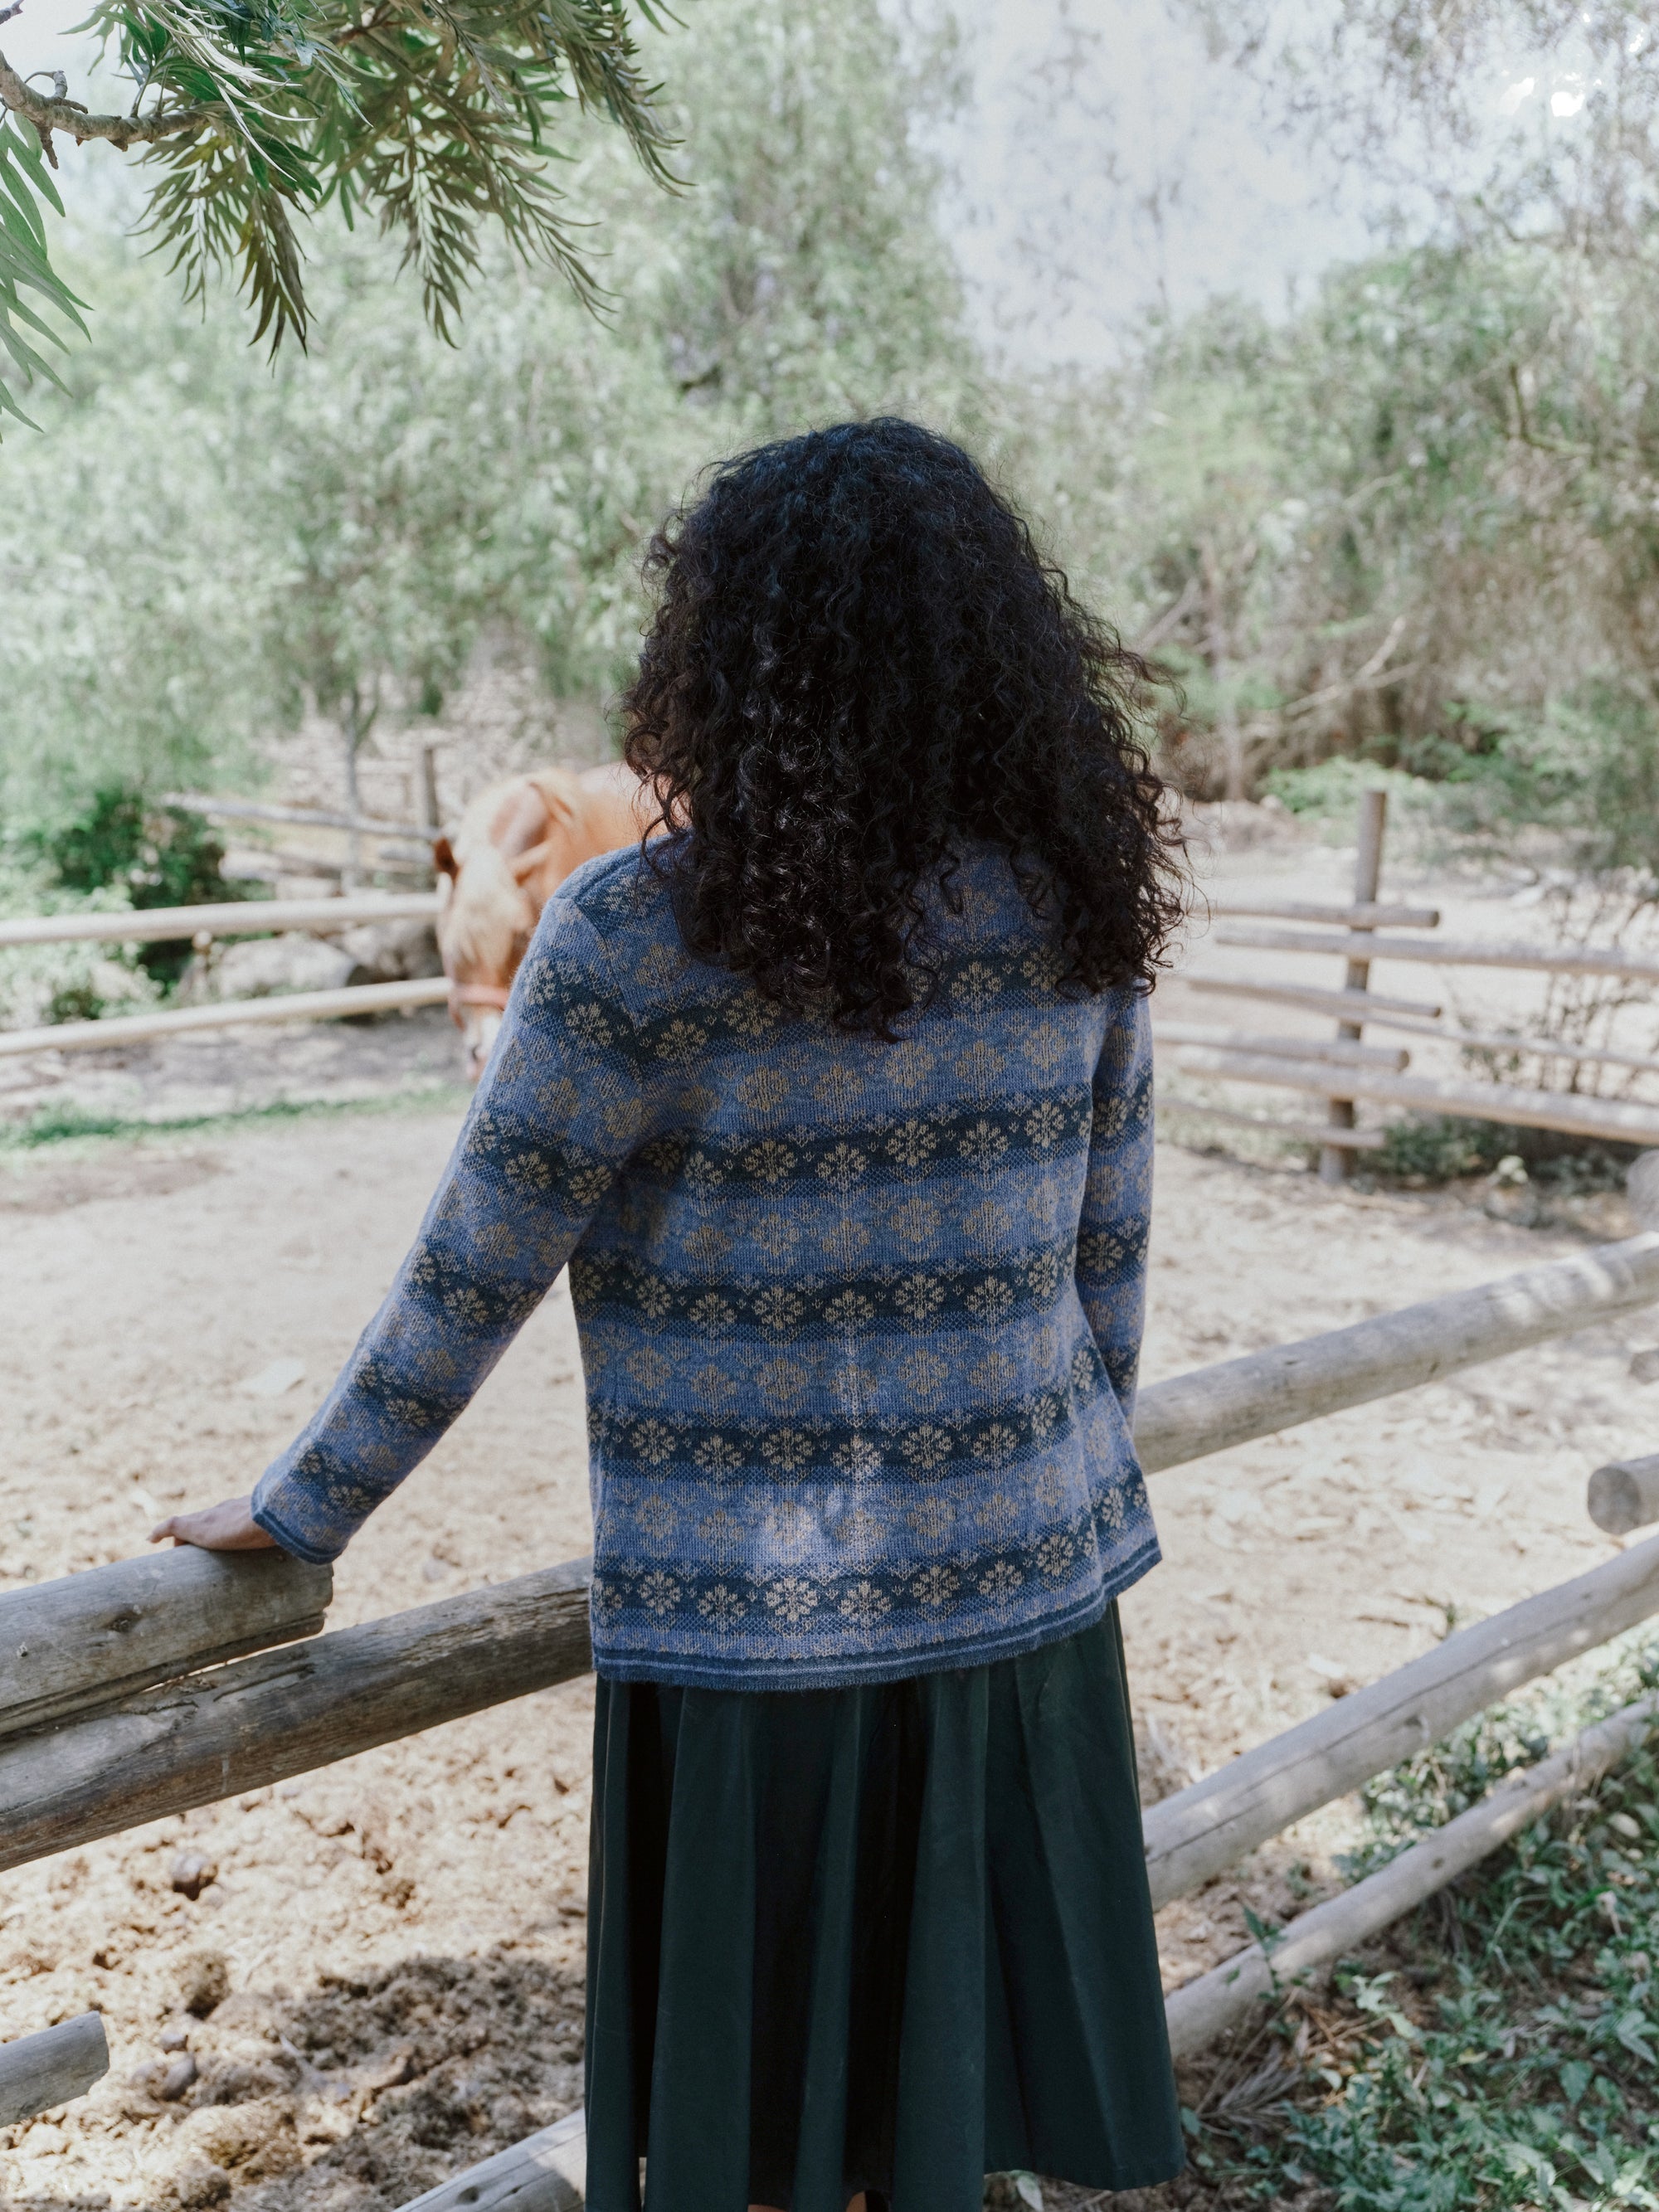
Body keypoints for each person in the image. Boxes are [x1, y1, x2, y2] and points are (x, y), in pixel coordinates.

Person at [154, 417, 1190, 2212]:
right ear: (1001, 646)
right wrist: (1038, 1489)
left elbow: (478, 1256)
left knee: (771, 2142)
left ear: (730, 652)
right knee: (934, 2131)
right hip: (1022, 1605)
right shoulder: (1071, 902)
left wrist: (305, 1497)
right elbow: (1110, 1263)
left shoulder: (642, 934)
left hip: (754, 1645)